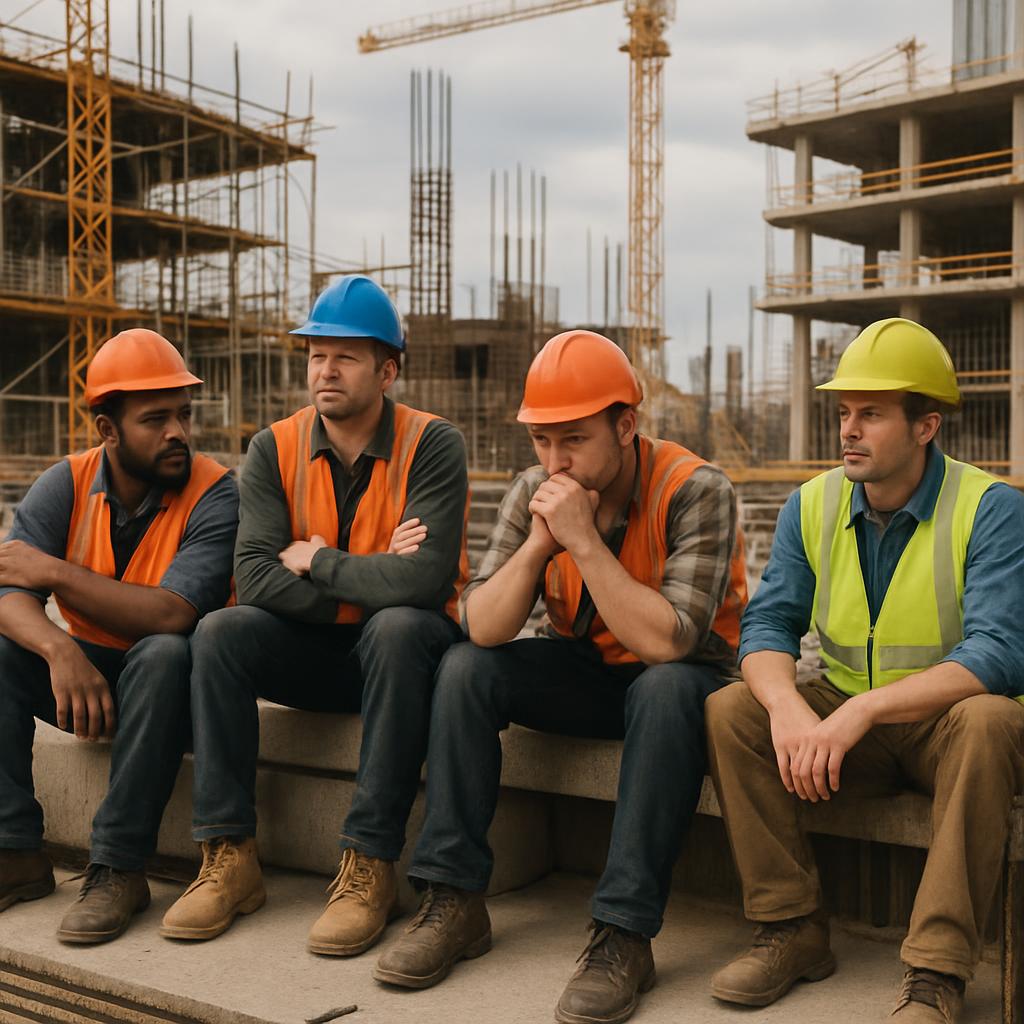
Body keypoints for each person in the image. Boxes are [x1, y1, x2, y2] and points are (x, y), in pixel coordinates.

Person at [376, 329, 747, 1024]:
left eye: (572, 439)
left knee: (664, 690)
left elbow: (669, 642)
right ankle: (453, 900)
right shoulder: (533, 491)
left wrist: (581, 540)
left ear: (626, 424)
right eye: (542, 441)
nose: (555, 460)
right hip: (586, 671)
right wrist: (541, 544)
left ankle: (622, 935)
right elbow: (482, 624)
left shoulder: (698, 489)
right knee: (464, 668)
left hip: (685, 685)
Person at [706, 318, 1024, 1024]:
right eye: (844, 412)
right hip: (855, 721)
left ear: (925, 426)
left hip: (943, 727)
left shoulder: (991, 509)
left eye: (871, 414)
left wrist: (862, 712)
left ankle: (937, 972)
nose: (849, 430)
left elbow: (999, 651)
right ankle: (792, 927)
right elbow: (764, 627)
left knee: (993, 718)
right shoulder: (811, 505)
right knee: (734, 708)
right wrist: (789, 707)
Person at [162, 275, 469, 952]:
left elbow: (423, 582)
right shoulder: (273, 447)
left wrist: (320, 559)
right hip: (314, 649)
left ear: (388, 370)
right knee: (220, 632)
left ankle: (370, 864)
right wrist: (375, 571)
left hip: (404, 658)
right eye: (315, 355)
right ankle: (229, 857)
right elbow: (255, 578)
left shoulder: (434, 445)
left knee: (397, 625)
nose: (324, 371)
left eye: (346, 357)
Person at [0, 329, 237, 944]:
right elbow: (6, 592)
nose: (178, 432)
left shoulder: (215, 493)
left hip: (185, 696)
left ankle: (118, 867)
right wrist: (58, 649)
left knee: (162, 653)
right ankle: (15, 852)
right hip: (92, 680)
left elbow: (171, 615)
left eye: (184, 415)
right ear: (107, 430)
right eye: (156, 419)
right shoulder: (67, 482)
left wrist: (52, 572)